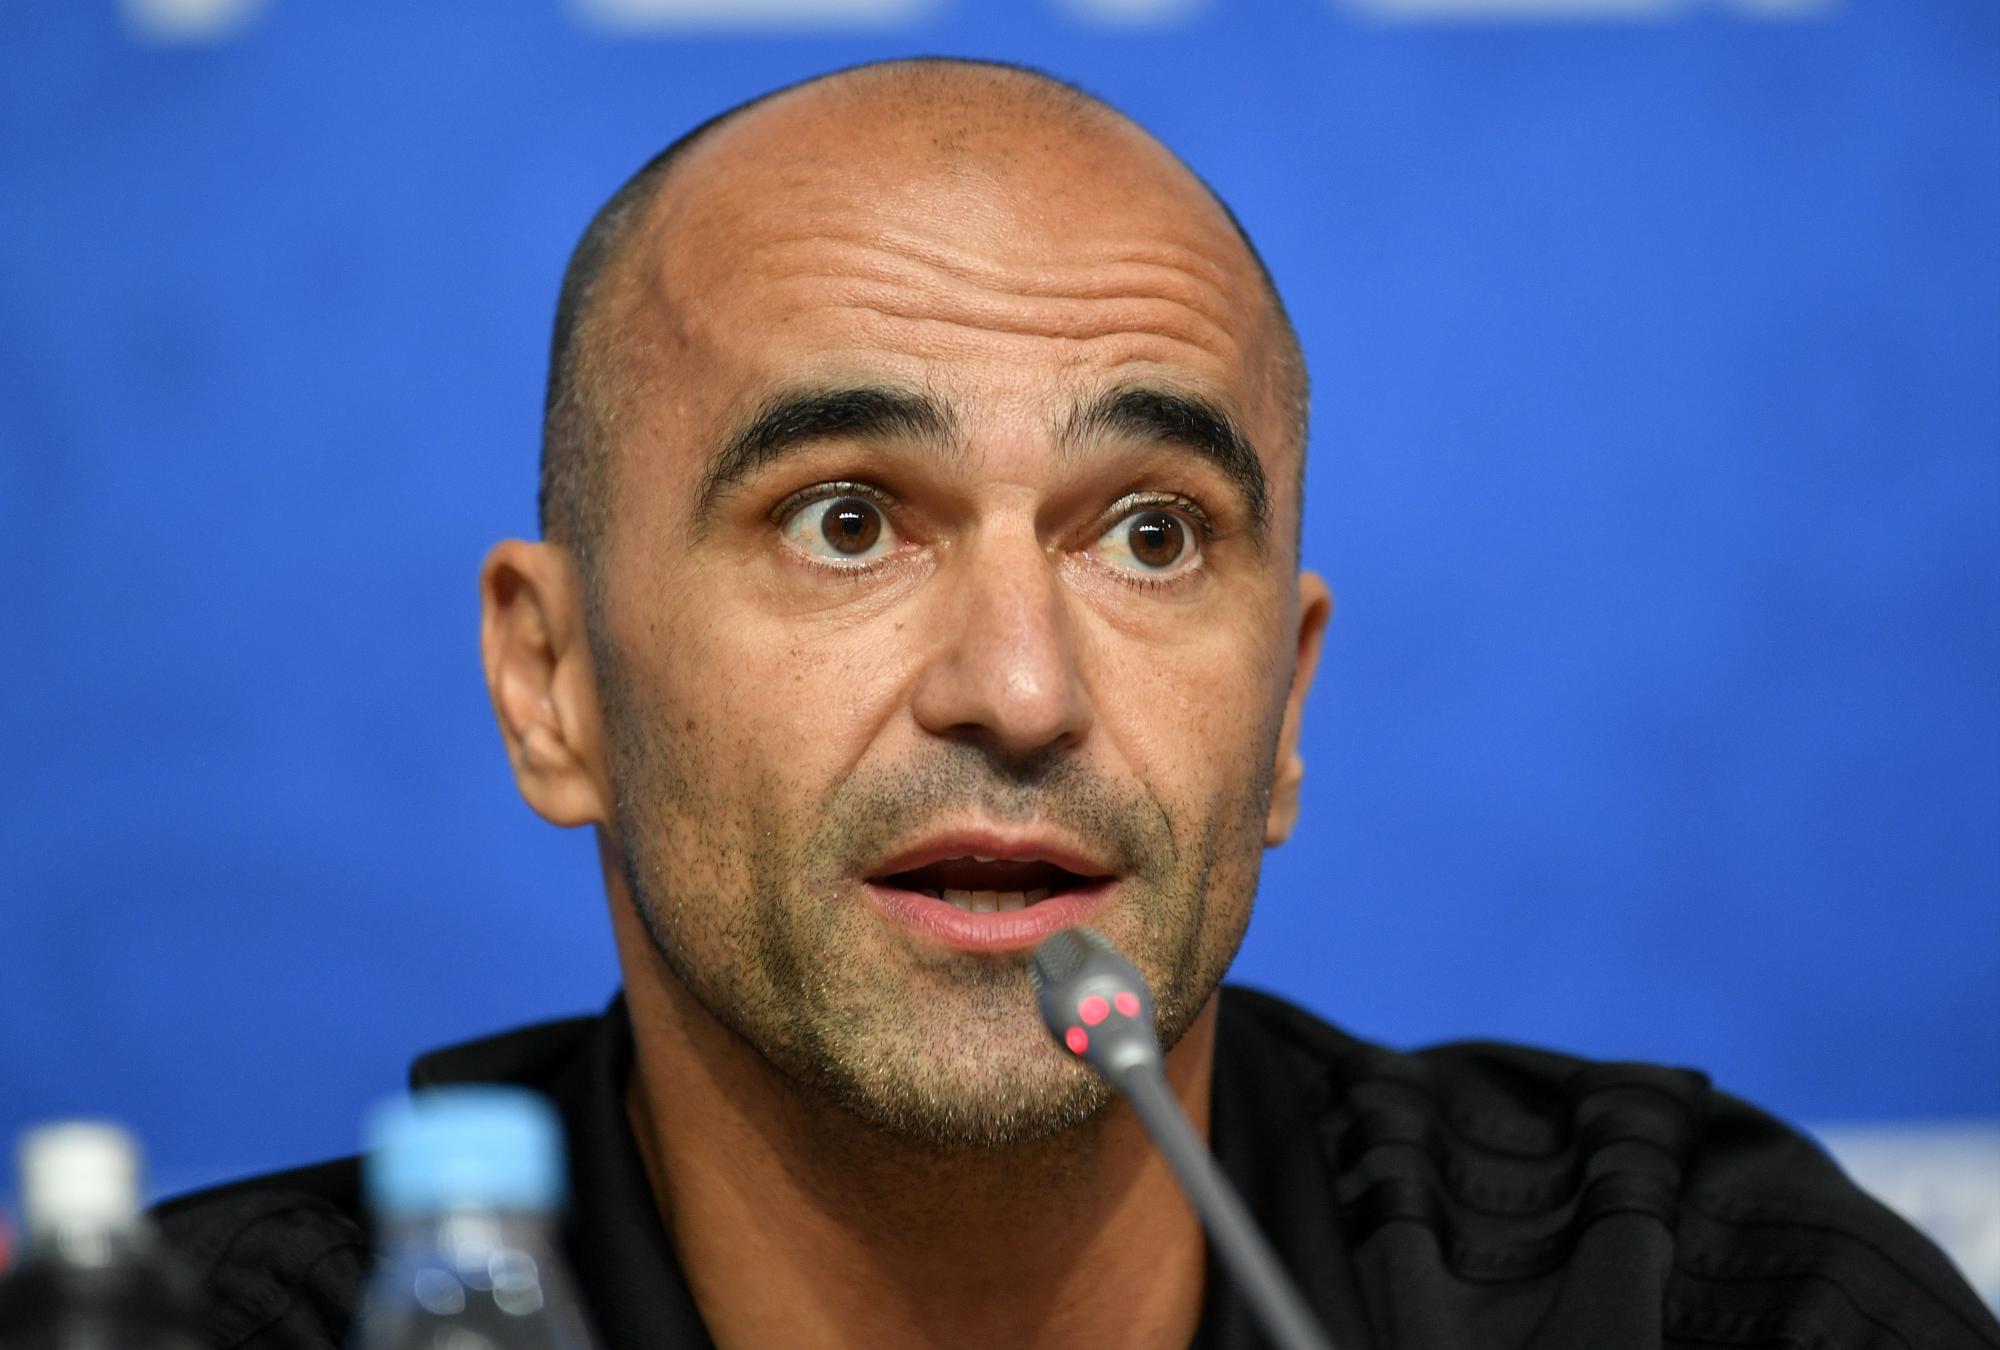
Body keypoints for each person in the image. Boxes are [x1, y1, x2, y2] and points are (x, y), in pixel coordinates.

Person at [158, 58, 1999, 1350]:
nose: (1023, 691)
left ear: (1285, 708)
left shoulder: (1693, 1299)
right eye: (847, 520)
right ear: (549, 681)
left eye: (1151, 535)